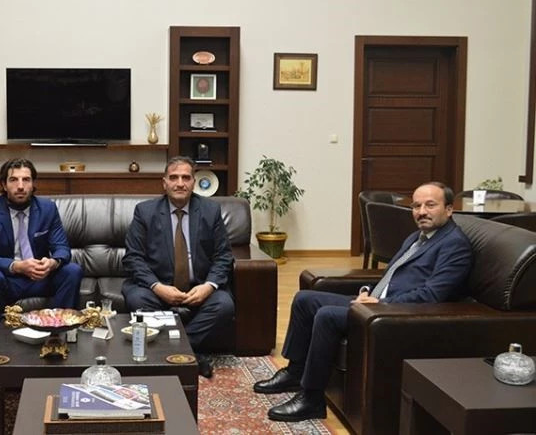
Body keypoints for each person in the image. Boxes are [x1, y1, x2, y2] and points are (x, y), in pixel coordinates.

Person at [253, 182, 472, 422]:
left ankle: (312, 398)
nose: (421, 212)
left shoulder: (454, 245)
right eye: (416, 206)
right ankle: (295, 372)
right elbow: (391, 276)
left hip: (394, 314)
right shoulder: (417, 237)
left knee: (327, 315)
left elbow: (432, 295)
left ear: (449, 209)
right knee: (305, 299)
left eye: (430, 205)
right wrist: (367, 293)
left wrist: (381, 303)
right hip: (377, 303)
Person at [122, 156, 235, 378]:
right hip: (158, 288)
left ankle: (173, 351)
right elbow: (133, 258)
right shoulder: (145, 211)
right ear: (164, 183)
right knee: (137, 299)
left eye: (186, 177)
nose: (180, 183)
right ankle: (192, 355)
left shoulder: (210, 211)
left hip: (198, 288)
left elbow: (223, 256)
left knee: (224, 305)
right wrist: (157, 287)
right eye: (174, 177)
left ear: (194, 182)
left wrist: (208, 287)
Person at [0, 158, 83, 338]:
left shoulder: (48, 209)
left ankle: (57, 337)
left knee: (72, 271)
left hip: (39, 277)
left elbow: (62, 248)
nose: (20, 186)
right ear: (4, 185)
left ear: (33, 184)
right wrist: (17, 266)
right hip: (7, 278)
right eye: (13, 180)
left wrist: (52, 263)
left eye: (26, 180)